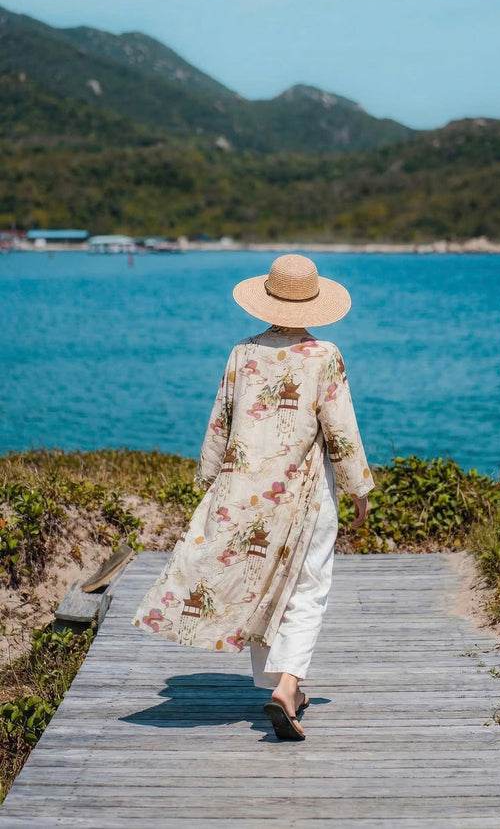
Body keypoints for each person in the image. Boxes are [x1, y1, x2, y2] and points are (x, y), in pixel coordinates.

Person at [131, 254, 374, 740]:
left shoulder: (242, 353)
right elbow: (340, 430)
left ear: (267, 298)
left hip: (241, 491)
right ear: (313, 305)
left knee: (262, 589)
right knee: (307, 589)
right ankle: (287, 687)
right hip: (304, 495)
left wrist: (208, 481)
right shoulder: (324, 355)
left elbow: (220, 421)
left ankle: (278, 685)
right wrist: (358, 488)